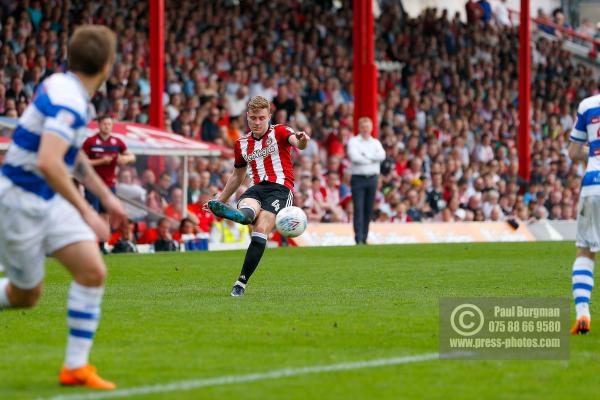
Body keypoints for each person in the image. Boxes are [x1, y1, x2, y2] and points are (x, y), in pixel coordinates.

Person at [0, 25, 126, 389]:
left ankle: (75, 367)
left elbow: (70, 158)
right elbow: (50, 161)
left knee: (92, 272)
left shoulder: (63, 86)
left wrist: (105, 197)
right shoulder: (71, 102)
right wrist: (88, 212)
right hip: (20, 199)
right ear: (107, 66)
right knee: (26, 296)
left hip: (44, 196)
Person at [206, 95, 309, 296]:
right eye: (253, 118)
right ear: (247, 117)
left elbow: (296, 142)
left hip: (280, 189)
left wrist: (302, 140)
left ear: (269, 116)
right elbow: (237, 176)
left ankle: (241, 282)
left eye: (262, 117)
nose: (257, 122)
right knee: (246, 216)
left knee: (260, 228)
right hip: (256, 189)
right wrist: (221, 200)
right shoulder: (241, 143)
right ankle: (231, 212)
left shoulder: (279, 131)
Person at [567, 92, 600, 335]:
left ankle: (582, 314)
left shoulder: (588, 105)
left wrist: (592, 152)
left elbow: (573, 152)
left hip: (593, 184)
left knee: (586, 252)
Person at [82, 114, 135, 253]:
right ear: (99, 125)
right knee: (92, 213)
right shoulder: (90, 141)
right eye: (105, 124)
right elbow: (80, 161)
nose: (107, 126)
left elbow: (131, 156)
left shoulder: (116, 142)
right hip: (92, 183)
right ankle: (89, 243)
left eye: (109, 124)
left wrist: (125, 159)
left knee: (106, 214)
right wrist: (101, 161)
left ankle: (102, 244)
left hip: (109, 184)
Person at [347, 117, 385, 245]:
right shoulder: (353, 141)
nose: (365, 130)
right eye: (363, 127)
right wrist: (372, 159)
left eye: (367, 127)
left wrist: (366, 156)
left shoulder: (375, 142)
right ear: (359, 128)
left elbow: (382, 155)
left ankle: (365, 236)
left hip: (372, 178)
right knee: (358, 208)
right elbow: (355, 157)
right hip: (358, 178)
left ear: (371, 128)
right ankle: (358, 238)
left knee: (368, 209)